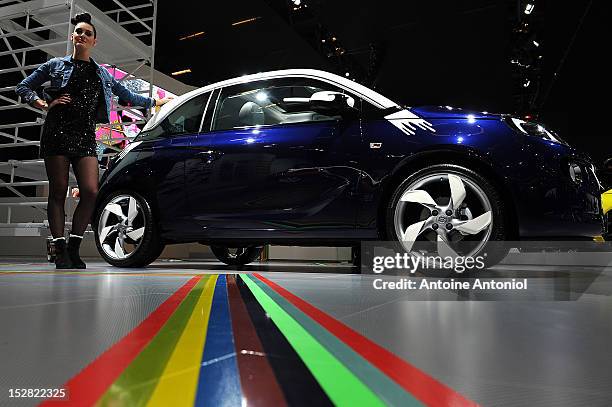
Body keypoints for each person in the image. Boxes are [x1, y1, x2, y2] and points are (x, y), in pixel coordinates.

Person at [15, 13, 172, 269]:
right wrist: (44, 104)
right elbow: (23, 86)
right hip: (57, 132)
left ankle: (74, 247)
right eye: (78, 32)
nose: (82, 36)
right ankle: (61, 249)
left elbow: (128, 95)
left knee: (90, 191)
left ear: (94, 42)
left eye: (87, 33)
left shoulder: (102, 74)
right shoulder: (55, 65)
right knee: (57, 191)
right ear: (72, 37)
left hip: (85, 135)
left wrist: (155, 102)